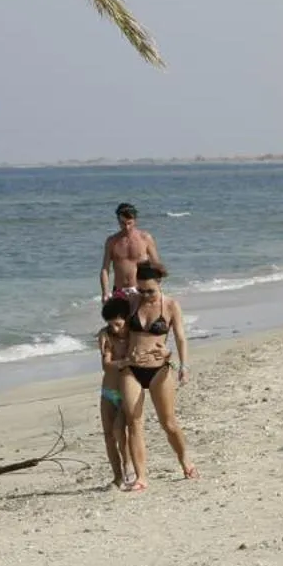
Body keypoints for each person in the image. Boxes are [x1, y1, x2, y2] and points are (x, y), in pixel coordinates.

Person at [118, 260, 196, 490]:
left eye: (150, 290)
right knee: (134, 422)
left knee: (168, 422)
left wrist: (182, 364)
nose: (146, 295)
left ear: (160, 283)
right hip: (131, 370)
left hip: (159, 370)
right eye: (141, 290)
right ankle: (141, 477)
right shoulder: (131, 301)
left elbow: (181, 337)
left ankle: (184, 459)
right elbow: (111, 320)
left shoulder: (171, 305)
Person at [96, 296, 134, 491]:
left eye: (118, 324)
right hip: (108, 391)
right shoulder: (107, 336)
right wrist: (124, 362)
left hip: (127, 391)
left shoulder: (135, 336)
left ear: (126, 319)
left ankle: (128, 466)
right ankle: (117, 476)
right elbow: (106, 365)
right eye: (110, 325)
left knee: (120, 430)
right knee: (109, 435)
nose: (115, 328)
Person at [100, 202, 159, 305]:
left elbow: (156, 265)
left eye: (129, 223)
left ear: (135, 220)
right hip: (119, 291)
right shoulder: (111, 241)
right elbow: (105, 269)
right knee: (117, 321)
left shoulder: (145, 238)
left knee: (140, 321)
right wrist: (105, 292)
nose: (126, 227)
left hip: (141, 290)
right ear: (118, 220)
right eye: (122, 223)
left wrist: (154, 288)